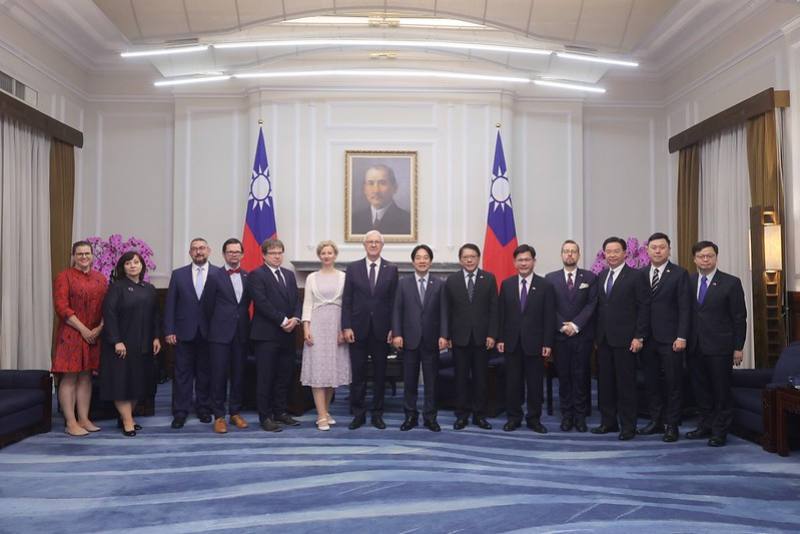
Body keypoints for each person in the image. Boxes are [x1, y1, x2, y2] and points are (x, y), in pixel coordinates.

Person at [685, 240, 747, 447]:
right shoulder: (689, 281)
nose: (705, 259)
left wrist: (738, 347)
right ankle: (705, 425)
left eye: (709, 256)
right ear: (694, 259)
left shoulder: (731, 282)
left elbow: (739, 317)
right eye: (701, 256)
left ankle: (720, 431)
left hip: (720, 347)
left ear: (716, 257)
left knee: (721, 390)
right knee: (700, 389)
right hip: (695, 346)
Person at [592, 237, 650, 440]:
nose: (612, 255)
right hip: (604, 340)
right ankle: (608, 422)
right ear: (604, 254)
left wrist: (639, 336)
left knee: (626, 385)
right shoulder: (601, 276)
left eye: (616, 251)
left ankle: (628, 426)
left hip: (627, 340)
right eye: (608, 251)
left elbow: (644, 308)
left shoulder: (636, 276)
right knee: (605, 384)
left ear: (625, 253)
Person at [341, 230, 399, 430]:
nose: (373, 245)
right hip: (357, 330)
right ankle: (358, 413)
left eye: (377, 242)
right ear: (364, 245)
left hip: (382, 331)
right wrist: (346, 326)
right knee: (358, 374)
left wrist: (394, 328)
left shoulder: (391, 269)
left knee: (380, 374)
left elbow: (394, 302)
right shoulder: (353, 268)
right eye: (370, 242)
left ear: (382, 246)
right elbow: (347, 300)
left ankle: (377, 413)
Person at [99, 251, 161, 437]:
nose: (133, 265)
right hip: (121, 346)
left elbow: (156, 316)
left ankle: (125, 416)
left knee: (138, 384)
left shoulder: (149, 288)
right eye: (128, 263)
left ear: (142, 265)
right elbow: (109, 315)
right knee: (122, 384)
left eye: (136, 262)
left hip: (143, 346)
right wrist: (116, 341)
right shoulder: (116, 288)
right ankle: (127, 421)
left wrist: (156, 337)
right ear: (122, 267)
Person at [638, 232, 691, 443]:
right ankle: (656, 420)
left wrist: (681, 336)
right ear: (647, 250)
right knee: (651, 383)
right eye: (653, 247)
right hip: (647, 340)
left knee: (673, 383)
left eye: (661, 247)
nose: (657, 251)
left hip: (671, 339)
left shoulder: (679, 274)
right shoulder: (641, 274)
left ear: (669, 250)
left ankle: (672, 425)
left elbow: (685, 308)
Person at [497, 244, 555, 433]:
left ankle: (534, 418)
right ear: (514, 262)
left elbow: (549, 316)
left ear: (534, 261)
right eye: (520, 260)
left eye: (527, 259)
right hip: (512, 343)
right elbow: (501, 315)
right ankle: (514, 418)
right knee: (512, 383)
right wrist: (500, 339)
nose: (523, 263)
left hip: (536, 344)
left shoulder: (545, 285)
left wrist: (547, 342)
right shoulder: (507, 284)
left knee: (535, 384)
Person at [52, 241, 108, 436]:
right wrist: (84, 329)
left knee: (86, 376)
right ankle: (70, 422)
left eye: (87, 253)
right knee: (69, 377)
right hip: (71, 333)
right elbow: (61, 307)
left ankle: (84, 418)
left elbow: (106, 307)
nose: (84, 257)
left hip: (94, 335)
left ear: (93, 256)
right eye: (80, 254)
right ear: (73, 256)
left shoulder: (101, 278)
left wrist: (99, 328)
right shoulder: (64, 277)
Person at [247, 238, 302, 432]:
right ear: (264, 255)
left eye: (280, 252)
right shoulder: (256, 275)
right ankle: (265, 416)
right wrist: (282, 321)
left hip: (288, 335)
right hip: (266, 336)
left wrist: (295, 318)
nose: (277, 256)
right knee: (265, 377)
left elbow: (296, 300)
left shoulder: (288, 274)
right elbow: (261, 303)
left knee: (283, 376)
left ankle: (280, 411)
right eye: (273, 253)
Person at [392, 245, 449, 432]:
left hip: (432, 340)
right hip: (409, 339)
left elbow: (444, 312)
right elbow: (397, 310)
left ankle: (430, 418)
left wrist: (444, 335)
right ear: (413, 261)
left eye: (426, 257)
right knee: (409, 381)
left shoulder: (439, 283)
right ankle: (410, 416)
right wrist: (397, 333)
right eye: (418, 257)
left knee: (432, 382)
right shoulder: (403, 283)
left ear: (430, 261)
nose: (422, 261)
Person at [545, 240, 598, 433]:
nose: (569, 255)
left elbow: (592, 305)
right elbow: (549, 306)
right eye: (566, 251)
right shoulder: (550, 278)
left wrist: (575, 325)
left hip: (582, 336)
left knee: (582, 376)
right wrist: (562, 326)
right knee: (564, 377)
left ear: (578, 255)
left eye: (573, 251)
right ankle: (567, 415)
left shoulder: (590, 277)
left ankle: (580, 416)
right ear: (561, 255)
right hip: (560, 337)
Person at [444, 243, 498, 430]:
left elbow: (494, 310)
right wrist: (447, 335)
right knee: (460, 378)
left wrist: (492, 334)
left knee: (481, 379)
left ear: (478, 258)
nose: (469, 260)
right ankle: (461, 415)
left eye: (473, 256)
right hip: (459, 339)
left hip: (483, 339)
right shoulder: (452, 280)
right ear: (460, 259)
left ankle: (479, 415)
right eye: (465, 257)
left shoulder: (489, 279)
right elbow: (447, 311)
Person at [200, 238, 251, 434]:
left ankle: (235, 412)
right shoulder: (214, 277)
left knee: (238, 375)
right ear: (223, 254)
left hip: (241, 334)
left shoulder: (247, 276)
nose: (234, 255)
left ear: (242, 254)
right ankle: (219, 416)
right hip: (218, 336)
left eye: (237, 251)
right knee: (218, 376)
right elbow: (206, 308)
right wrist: (209, 334)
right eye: (230, 252)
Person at [300, 241, 351, 431]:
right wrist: (306, 328)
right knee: (318, 371)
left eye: (330, 252)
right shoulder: (312, 278)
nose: (327, 256)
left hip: (337, 326)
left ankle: (326, 410)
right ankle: (321, 415)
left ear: (335, 255)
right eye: (323, 253)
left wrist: (344, 328)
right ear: (319, 256)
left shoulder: (344, 277)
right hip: (317, 325)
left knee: (331, 372)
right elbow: (307, 304)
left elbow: (347, 305)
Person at [164, 238, 213, 429]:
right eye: (194, 249)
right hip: (183, 333)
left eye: (202, 248)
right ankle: (180, 412)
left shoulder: (218, 273)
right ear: (190, 252)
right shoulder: (178, 275)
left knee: (205, 373)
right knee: (182, 374)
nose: (198, 252)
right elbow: (170, 305)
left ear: (208, 250)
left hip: (209, 333)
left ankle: (203, 408)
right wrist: (169, 330)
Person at [351, 164, 411, 235]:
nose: (376, 190)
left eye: (382, 183)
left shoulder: (407, 220)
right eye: (370, 183)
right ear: (364, 189)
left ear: (394, 188)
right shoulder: (354, 219)